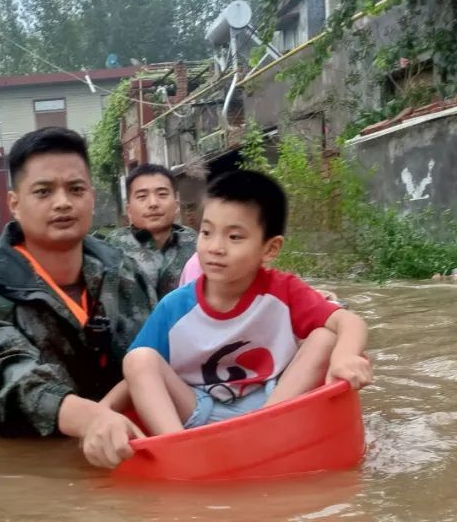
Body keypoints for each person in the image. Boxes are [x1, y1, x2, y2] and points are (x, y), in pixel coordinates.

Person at [0, 127, 155, 466]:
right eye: (44, 191)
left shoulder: (124, 270)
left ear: (91, 197)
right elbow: (7, 377)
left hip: (111, 439)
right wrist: (91, 418)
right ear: (15, 204)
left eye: (75, 189)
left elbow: (158, 352)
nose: (63, 202)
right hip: (12, 461)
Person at [119, 169, 373, 436]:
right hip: (197, 409)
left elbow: (350, 321)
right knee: (138, 358)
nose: (215, 247)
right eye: (206, 233)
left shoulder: (283, 290)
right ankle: (174, 448)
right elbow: (135, 374)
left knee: (326, 337)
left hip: (272, 404)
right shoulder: (175, 307)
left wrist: (345, 356)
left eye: (234, 237)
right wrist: (101, 412)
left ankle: (263, 427)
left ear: (270, 249)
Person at [103, 163, 197, 298]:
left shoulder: (194, 242)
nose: (153, 203)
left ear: (176, 206)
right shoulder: (112, 246)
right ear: (129, 210)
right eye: (142, 196)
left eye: (162, 194)